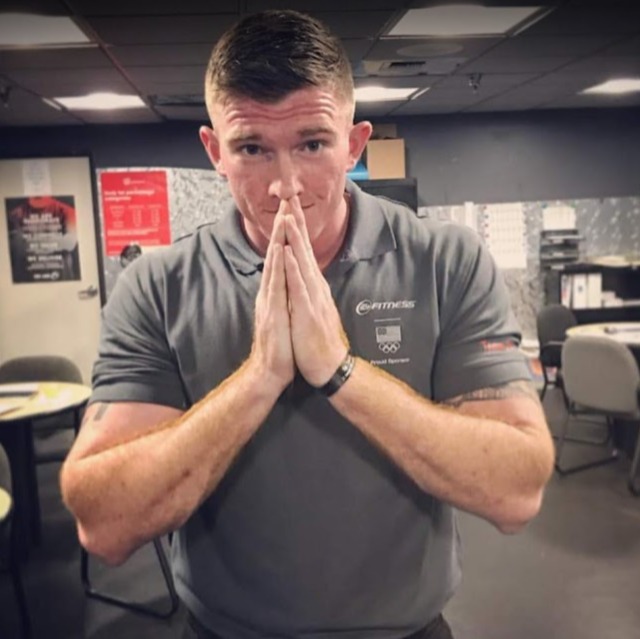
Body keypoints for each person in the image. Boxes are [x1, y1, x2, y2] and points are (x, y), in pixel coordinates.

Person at [60, 10, 555, 639]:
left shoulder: (445, 261)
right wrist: (260, 378)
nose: (285, 186)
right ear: (215, 152)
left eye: (313, 144)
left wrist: (341, 374)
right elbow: (102, 522)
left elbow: (517, 491)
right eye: (252, 149)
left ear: (354, 143)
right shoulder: (158, 286)